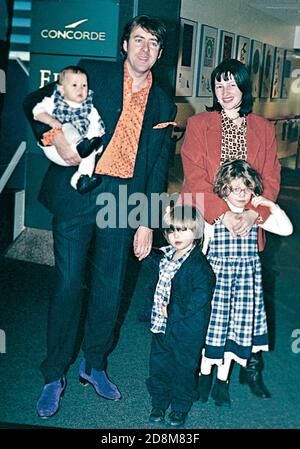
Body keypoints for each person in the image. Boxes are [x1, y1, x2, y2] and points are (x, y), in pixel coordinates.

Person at [23, 15, 176, 418]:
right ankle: (54, 374)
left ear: (160, 53)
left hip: (125, 199)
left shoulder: (164, 103)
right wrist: (52, 135)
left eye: (153, 44)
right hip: (80, 190)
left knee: (110, 288)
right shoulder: (91, 74)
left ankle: (95, 364)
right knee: (69, 283)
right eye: (138, 40)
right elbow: (34, 103)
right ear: (124, 44)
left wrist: (146, 220)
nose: (145, 49)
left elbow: (158, 165)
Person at [179, 58, 281, 399]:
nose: (225, 92)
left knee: (244, 302)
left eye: (232, 85)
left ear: (244, 88)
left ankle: (246, 368)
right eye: (218, 85)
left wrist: (253, 215)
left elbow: (270, 179)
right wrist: (224, 214)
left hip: (249, 228)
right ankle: (200, 369)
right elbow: (193, 176)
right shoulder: (199, 124)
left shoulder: (264, 129)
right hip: (210, 226)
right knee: (207, 301)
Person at [198, 160, 293, 407]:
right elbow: (201, 251)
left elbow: (286, 229)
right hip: (217, 288)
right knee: (212, 335)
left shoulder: (254, 219)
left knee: (234, 335)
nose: (242, 194)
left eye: (247, 188)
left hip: (244, 291)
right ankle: (203, 378)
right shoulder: (214, 219)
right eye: (235, 188)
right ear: (223, 189)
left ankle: (222, 384)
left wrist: (270, 206)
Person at [144, 205, 215, 427]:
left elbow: (200, 296)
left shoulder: (199, 267)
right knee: (159, 364)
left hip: (186, 330)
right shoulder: (165, 256)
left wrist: (173, 310)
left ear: (196, 232)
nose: (176, 236)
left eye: (184, 230)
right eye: (172, 230)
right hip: (161, 326)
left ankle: (180, 406)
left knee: (183, 367)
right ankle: (159, 401)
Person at [32, 65, 105, 194]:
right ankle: (80, 146)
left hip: (79, 155)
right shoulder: (54, 101)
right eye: (74, 85)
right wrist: (51, 121)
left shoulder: (90, 108)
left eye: (84, 85)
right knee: (67, 126)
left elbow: (96, 126)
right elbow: (37, 111)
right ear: (62, 90)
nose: (81, 89)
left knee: (91, 150)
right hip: (56, 149)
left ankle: (80, 179)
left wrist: (92, 141)